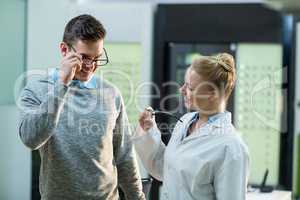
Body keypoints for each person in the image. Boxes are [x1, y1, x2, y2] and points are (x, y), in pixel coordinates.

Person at [18, 14, 145, 200]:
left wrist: (138, 197)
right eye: (84, 57)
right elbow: (30, 139)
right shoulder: (36, 91)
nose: (90, 66)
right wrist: (62, 84)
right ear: (64, 50)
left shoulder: (111, 94)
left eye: (96, 58)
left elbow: (124, 155)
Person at [134, 53, 249, 200]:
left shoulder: (232, 148)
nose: (181, 90)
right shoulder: (185, 122)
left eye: (190, 87)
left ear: (212, 93)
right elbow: (168, 170)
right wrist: (149, 131)